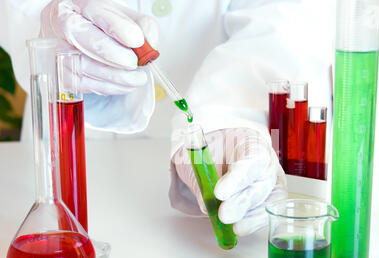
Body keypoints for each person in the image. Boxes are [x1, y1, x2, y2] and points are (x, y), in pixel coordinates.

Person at [0, 0, 335, 237]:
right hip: (71, 141)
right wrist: (49, 27)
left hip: (217, 120)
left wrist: (227, 115)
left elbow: (285, 16)